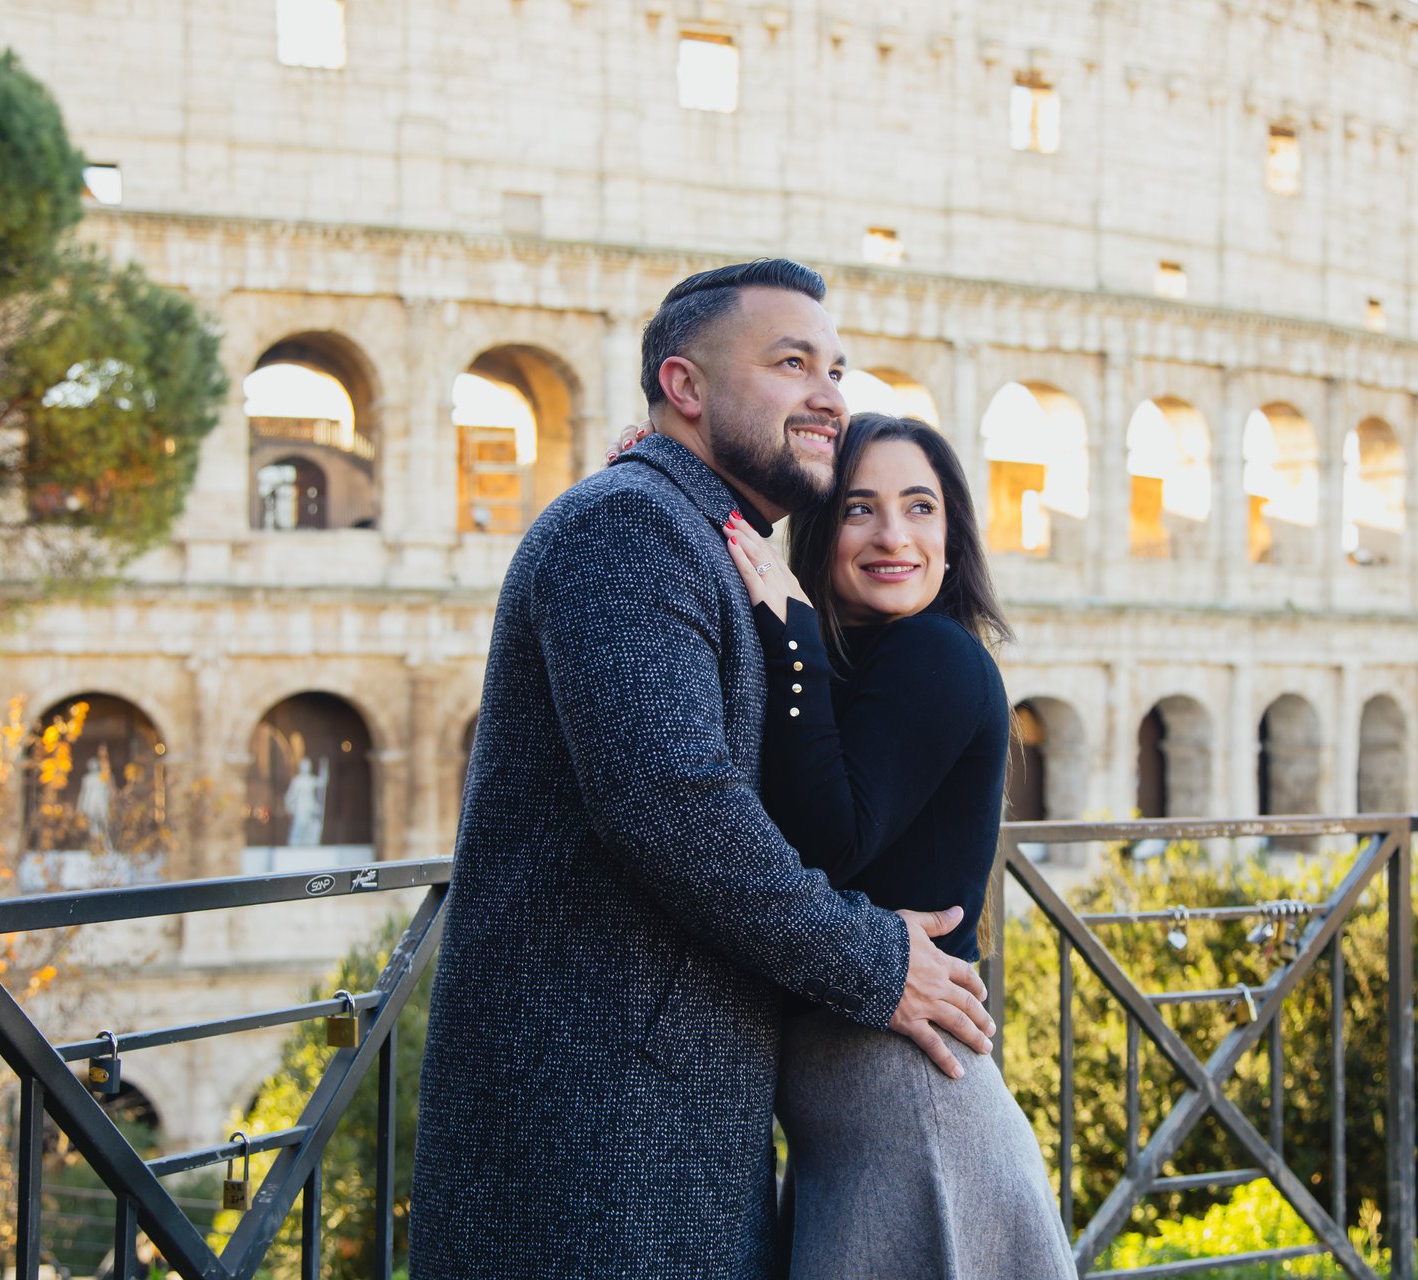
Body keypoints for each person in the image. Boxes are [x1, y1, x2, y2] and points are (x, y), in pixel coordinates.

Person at [412, 260, 996, 1279]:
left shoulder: (683, 527)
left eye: (835, 369)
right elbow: (674, 803)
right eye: (791, 363)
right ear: (684, 386)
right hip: (604, 1119)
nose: (829, 396)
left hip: (660, 1106)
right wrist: (873, 957)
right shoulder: (632, 525)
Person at [713, 412, 1077, 1278]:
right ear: (820, 529)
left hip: (908, 1101)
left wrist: (793, 638)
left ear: (953, 537)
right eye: (859, 509)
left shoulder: (932, 653)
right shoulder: (866, 659)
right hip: (866, 1110)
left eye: (920, 508)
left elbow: (828, 843)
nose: (893, 537)